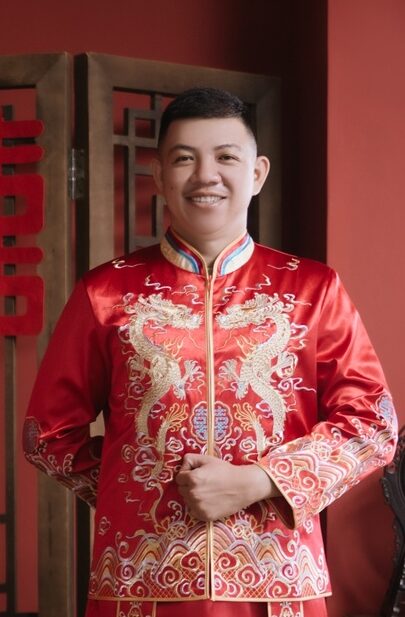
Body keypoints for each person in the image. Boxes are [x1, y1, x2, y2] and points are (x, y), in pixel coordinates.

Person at [23, 88, 397, 617]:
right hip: (140, 582)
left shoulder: (313, 289)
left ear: (257, 173)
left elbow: (372, 423)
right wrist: (143, 492)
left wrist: (261, 482)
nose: (206, 176)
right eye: (184, 159)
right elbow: (46, 435)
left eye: (225, 156)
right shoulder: (106, 293)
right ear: (158, 176)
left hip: (279, 580)